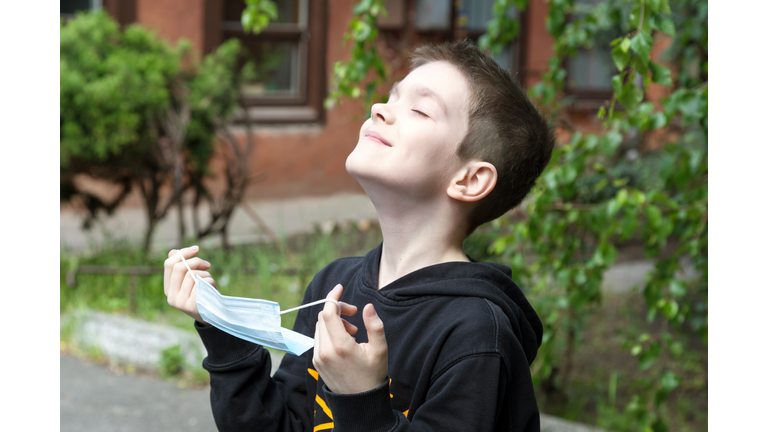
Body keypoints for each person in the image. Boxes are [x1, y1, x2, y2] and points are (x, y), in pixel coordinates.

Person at [164, 40, 555, 432]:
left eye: (419, 109)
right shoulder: (335, 285)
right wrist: (224, 327)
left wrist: (361, 400)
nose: (379, 109)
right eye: (391, 97)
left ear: (469, 180)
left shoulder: (477, 334)